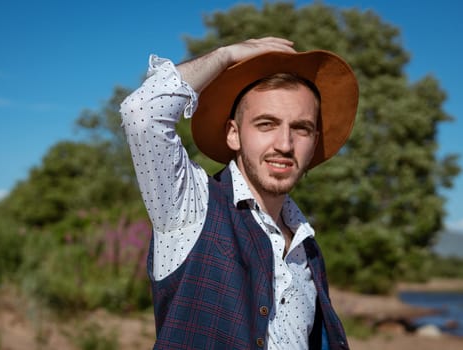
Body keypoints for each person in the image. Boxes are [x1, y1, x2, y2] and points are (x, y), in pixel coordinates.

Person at [120, 37, 358, 350]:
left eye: (301, 128)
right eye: (266, 124)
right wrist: (225, 55)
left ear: (314, 141)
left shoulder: (307, 247)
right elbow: (141, 113)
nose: (285, 144)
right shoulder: (192, 205)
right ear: (234, 134)